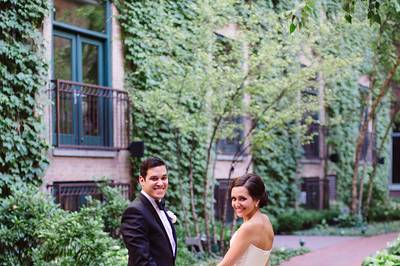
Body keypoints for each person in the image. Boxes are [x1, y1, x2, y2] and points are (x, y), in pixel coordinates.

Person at [121, 157, 177, 266]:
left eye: (164, 178)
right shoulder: (134, 212)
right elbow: (141, 261)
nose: (160, 183)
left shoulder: (158, 205)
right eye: (154, 178)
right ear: (142, 180)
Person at [218, 173, 274, 266]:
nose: (236, 204)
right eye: (234, 198)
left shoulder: (249, 227)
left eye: (242, 199)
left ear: (257, 200)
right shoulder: (265, 220)